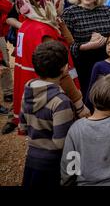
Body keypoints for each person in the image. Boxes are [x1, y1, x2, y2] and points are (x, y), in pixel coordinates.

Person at [1, 0, 88, 135]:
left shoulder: (28, 24)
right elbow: (60, 72)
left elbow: (69, 42)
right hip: (51, 95)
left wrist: (60, 25)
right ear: (50, 3)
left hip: (33, 91)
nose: (62, 2)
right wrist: (79, 103)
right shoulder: (45, 31)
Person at [19, 41, 75, 188]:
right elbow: (61, 143)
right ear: (64, 69)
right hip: (52, 163)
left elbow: (23, 127)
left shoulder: (28, 90)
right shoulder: (60, 101)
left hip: (32, 158)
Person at [62, 0, 110, 112]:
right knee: (86, 96)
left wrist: (106, 40)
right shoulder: (70, 13)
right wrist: (86, 46)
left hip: (105, 59)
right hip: (81, 62)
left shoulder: (107, 11)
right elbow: (68, 44)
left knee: (105, 95)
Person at [0, 0, 13, 105]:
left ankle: (8, 92)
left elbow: (9, 8)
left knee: (4, 62)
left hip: (0, 36)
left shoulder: (2, 0)